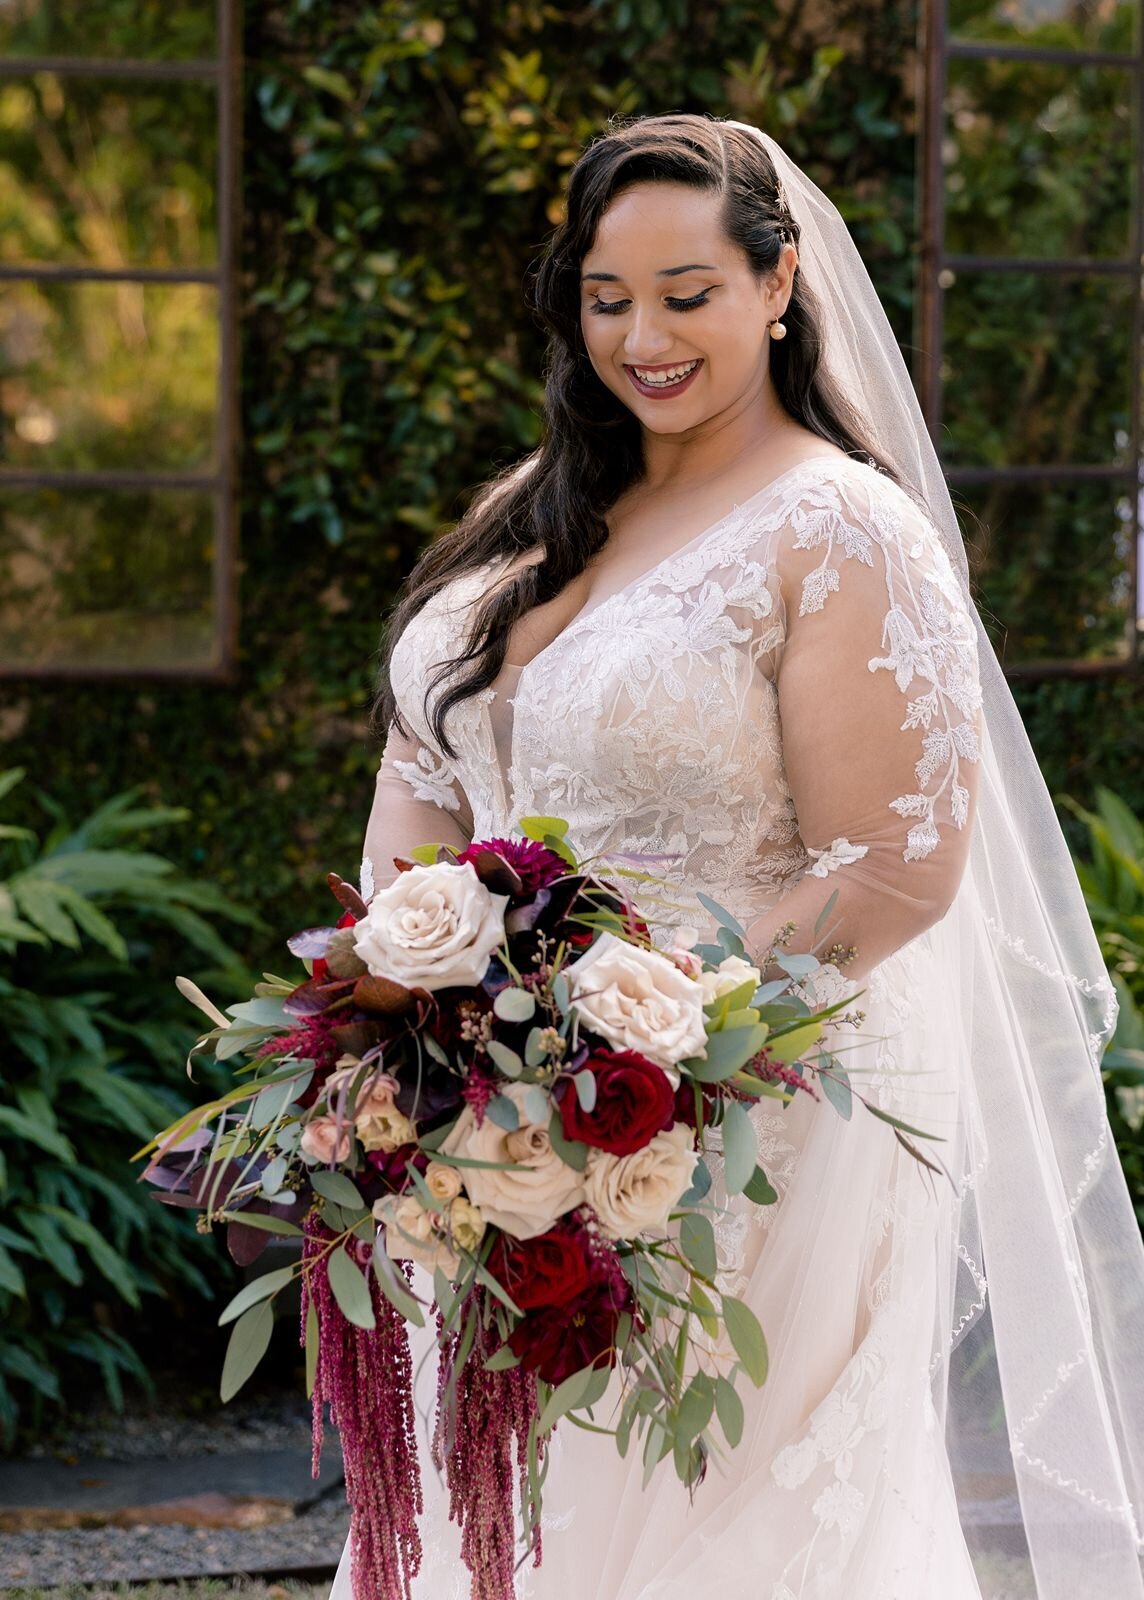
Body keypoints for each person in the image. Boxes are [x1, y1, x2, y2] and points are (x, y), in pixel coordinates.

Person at [335, 114, 1144, 1598]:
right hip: (490, 1126)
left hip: (747, 1125)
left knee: (708, 1519)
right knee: (514, 1517)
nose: (642, 335)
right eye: (605, 296)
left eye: (687, 292)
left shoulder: (838, 529)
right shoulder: (533, 516)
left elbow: (894, 862)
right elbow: (426, 770)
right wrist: (423, 1009)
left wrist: (639, 1062)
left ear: (778, 287)